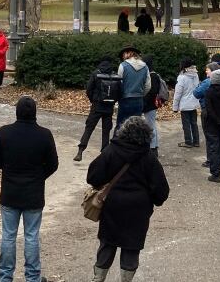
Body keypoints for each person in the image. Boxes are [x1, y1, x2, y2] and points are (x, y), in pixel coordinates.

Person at [87, 116, 170, 282]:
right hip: (138, 209)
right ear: (147, 134)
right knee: (131, 247)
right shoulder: (149, 157)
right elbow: (161, 190)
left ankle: (98, 278)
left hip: (112, 206)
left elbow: (93, 177)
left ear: (123, 131)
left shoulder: (111, 150)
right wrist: (153, 201)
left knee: (107, 244)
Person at [0, 96, 58, 282]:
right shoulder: (44, 135)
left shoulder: (5, 133)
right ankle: (33, 277)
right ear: (35, 112)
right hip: (34, 195)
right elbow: (53, 164)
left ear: (17, 112)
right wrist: (38, 177)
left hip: (10, 193)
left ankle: (5, 277)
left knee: (8, 236)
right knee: (31, 237)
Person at [74, 56, 117, 162]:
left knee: (89, 128)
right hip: (109, 107)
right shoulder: (115, 74)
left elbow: (89, 89)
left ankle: (80, 151)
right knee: (106, 131)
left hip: (97, 105)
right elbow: (118, 91)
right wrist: (113, 101)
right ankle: (104, 155)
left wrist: (93, 100)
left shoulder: (96, 73)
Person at [115, 45, 150, 129]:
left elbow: (119, 84)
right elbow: (148, 86)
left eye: (123, 54)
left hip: (125, 100)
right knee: (135, 127)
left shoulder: (123, 65)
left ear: (128, 53)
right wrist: (141, 94)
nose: (123, 57)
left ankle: (117, 142)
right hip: (139, 100)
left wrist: (119, 97)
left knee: (121, 126)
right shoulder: (145, 67)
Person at [194, 62, 220, 168]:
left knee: (209, 136)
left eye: (207, 70)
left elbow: (196, 93)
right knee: (219, 135)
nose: (206, 71)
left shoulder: (207, 82)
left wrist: (199, 86)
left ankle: (211, 159)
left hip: (207, 110)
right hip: (219, 110)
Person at [172, 57, 200, 148]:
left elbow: (178, 93)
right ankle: (196, 141)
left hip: (185, 104)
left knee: (186, 124)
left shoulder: (182, 77)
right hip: (194, 103)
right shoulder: (196, 75)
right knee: (194, 123)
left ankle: (188, 142)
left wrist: (175, 107)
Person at [141, 55, 162, 157]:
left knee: (150, 126)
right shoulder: (153, 75)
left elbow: (151, 92)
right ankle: (154, 146)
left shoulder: (152, 76)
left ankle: (152, 148)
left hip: (149, 105)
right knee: (152, 125)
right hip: (151, 105)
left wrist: (143, 102)